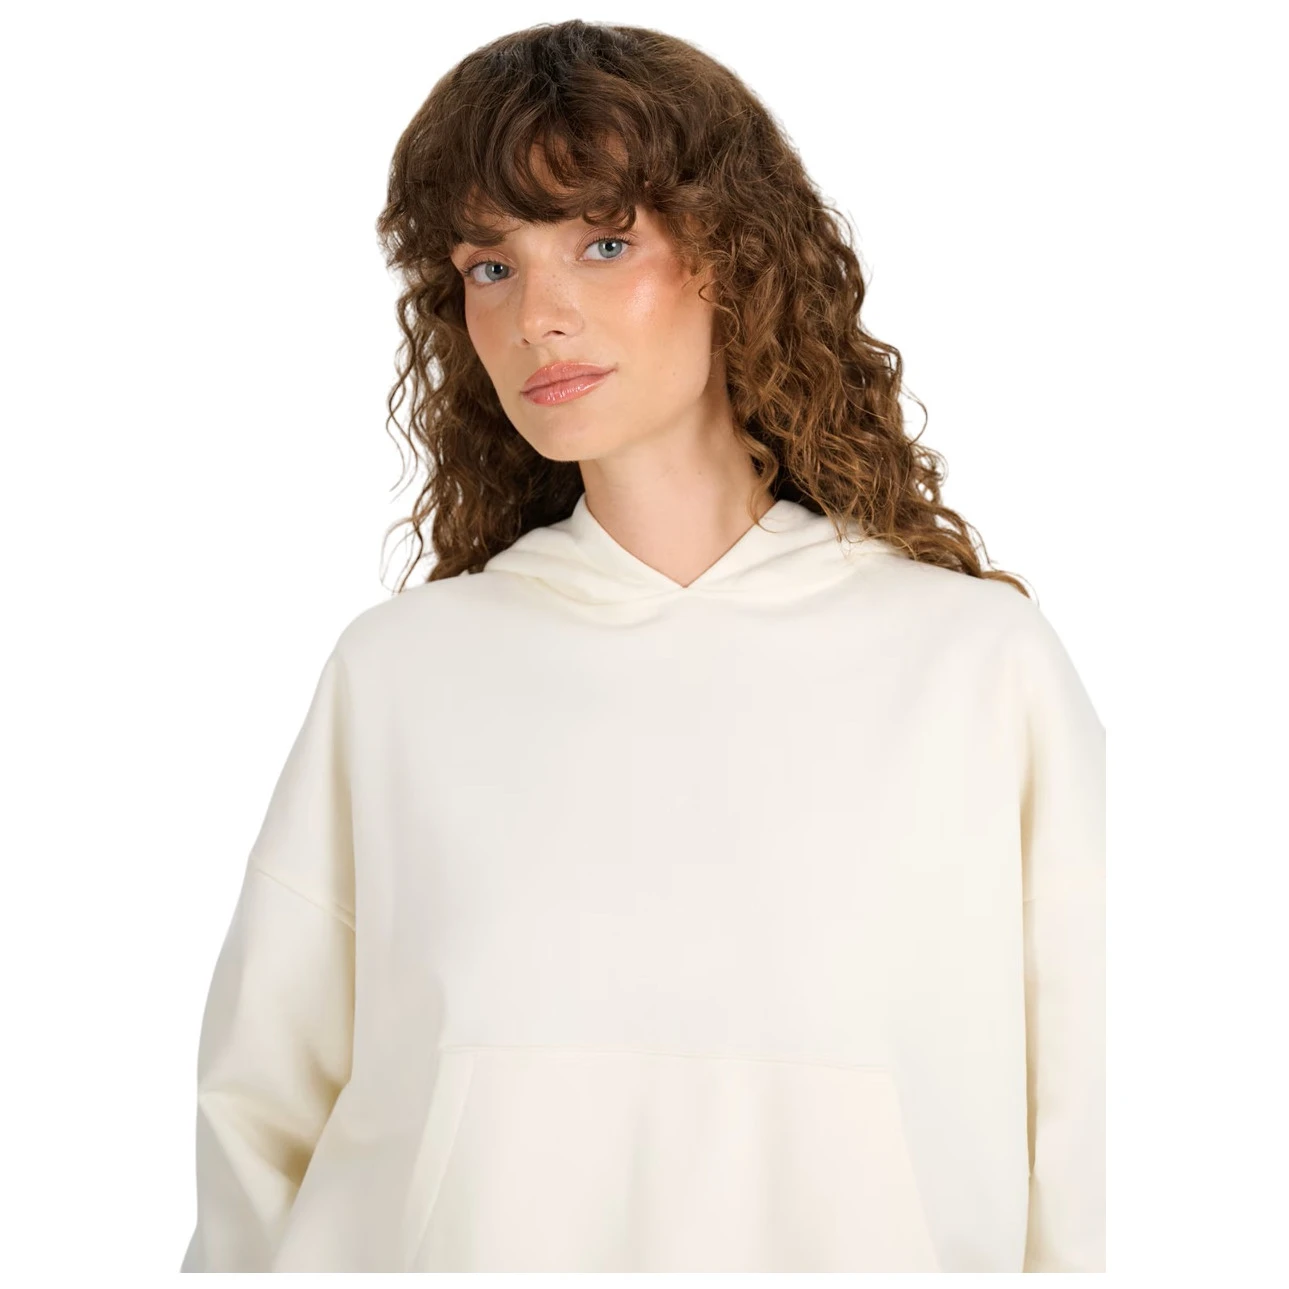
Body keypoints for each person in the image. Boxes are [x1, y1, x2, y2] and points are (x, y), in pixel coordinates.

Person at [179, 18, 1104, 1274]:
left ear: (735, 259)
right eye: (489, 265)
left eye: (603, 243)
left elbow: (1088, 1129)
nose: (537, 315)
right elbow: (259, 1121)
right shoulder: (399, 675)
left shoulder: (974, 668)